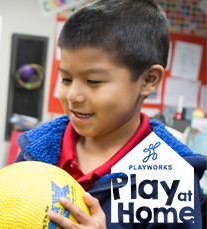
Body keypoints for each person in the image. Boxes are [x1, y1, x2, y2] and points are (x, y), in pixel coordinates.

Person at [15, 0, 207, 228]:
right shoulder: (35, 151)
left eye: (93, 81)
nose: (72, 95)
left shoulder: (171, 179)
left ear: (148, 80)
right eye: (66, 79)